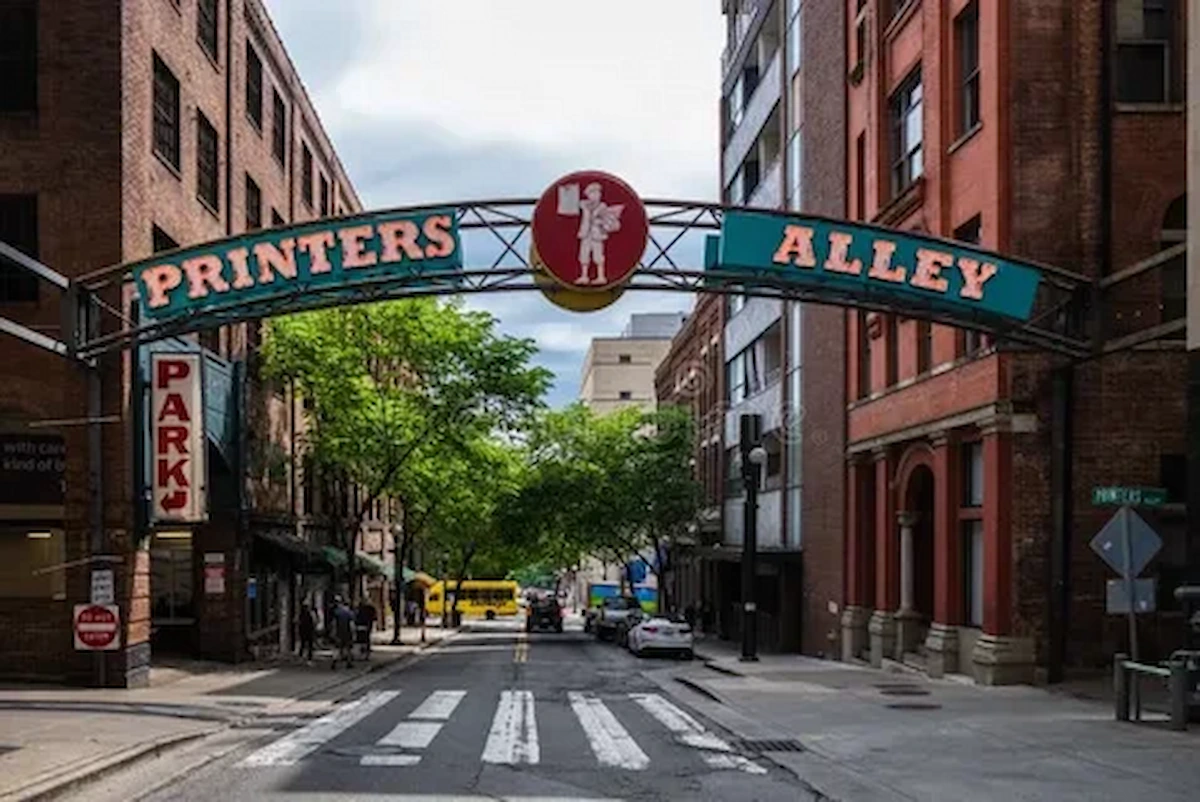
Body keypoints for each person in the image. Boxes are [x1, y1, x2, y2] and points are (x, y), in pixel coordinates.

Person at [331, 596, 355, 669]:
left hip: (338, 632)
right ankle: (349, 663)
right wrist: (353, 634)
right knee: (348, 648)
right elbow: (351, 625)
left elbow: (334, 623)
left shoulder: (337, 612)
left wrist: (333, 632)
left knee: (337, 648)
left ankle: (334, 661)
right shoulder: (349, 613)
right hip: (347, 632)